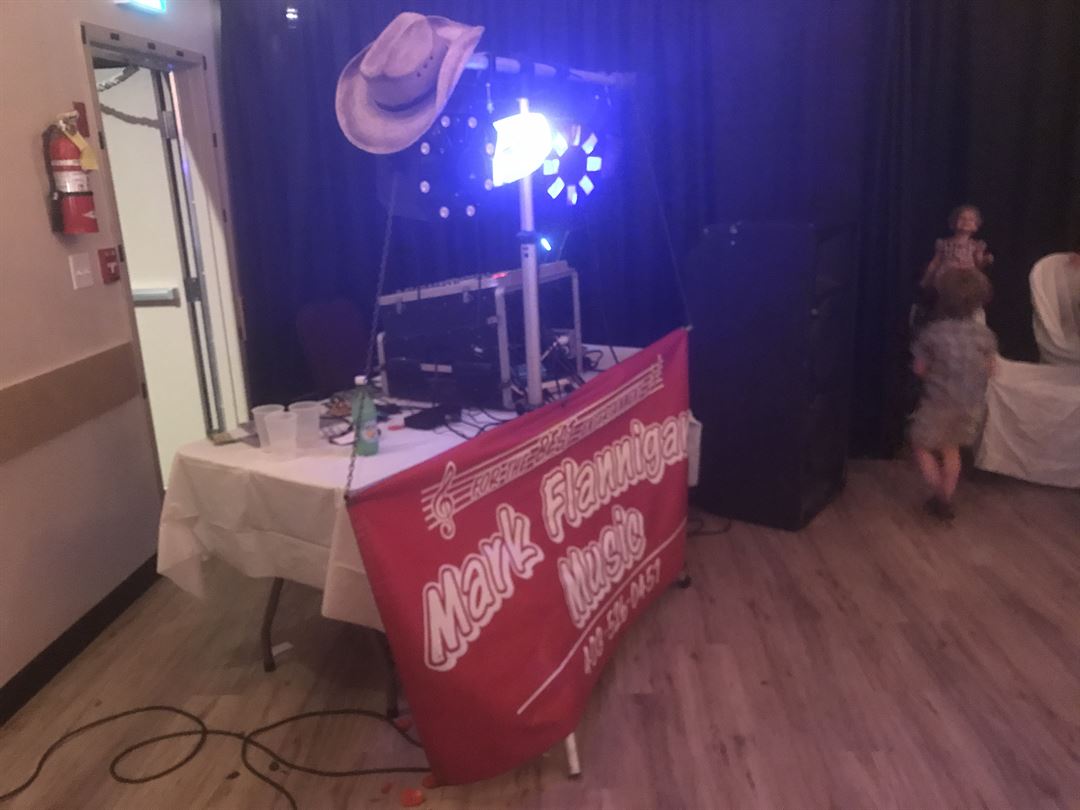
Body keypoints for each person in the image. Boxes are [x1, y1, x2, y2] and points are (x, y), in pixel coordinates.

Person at [909, 267, 997, 520]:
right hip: (970, 404)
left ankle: (940, 494)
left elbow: (919, 369)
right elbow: (992, 369)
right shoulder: (985, 335)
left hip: (938, 403)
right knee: (951, 449)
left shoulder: (933, 334)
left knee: (920, 445)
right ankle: (946, 497)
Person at [913, 204, 994, 330]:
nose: (966, 222)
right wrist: (927, 278)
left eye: (970, 219)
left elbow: (979, 264)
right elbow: (935, 262)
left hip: (967, 279)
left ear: (976, 225)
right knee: (945, 304)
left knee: (969, 302)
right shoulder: (944, 244)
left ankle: (971, 326)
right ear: (954, 222)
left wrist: (985, 260)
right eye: (962, 218)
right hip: (946, 278)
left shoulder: (976, 245)